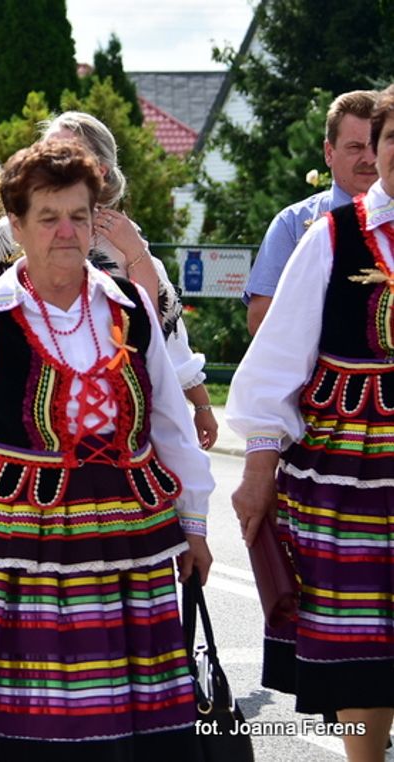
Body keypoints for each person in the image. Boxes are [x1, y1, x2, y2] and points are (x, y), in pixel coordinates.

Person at [0, 141, 213, 759]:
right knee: (33, 723)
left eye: (79, 214)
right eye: (48, 217)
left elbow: (170, 425)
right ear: (16, 228)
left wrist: (195, 524)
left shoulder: (133, 309)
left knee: (129, 722)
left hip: (130, 541)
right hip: (22, 550)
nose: (66, 231)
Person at [228, 83, 394, 762]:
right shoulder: (333, 237)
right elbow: (275, 361)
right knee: (362, 644)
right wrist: (258, 467)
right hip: (349, 474)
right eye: (392, 141)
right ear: (378, 152)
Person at [0, 112, 219, 450]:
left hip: (120, 418)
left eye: (66, 152)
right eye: (46, 150)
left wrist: (202, 405)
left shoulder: (125, 237)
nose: (51, 161)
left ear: (99, 170)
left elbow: (159, 335)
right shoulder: (11, 233)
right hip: (28, 413)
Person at [244, 90, 378, 335]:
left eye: (377, 146)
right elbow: (260, 322)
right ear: (329, 152)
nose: (369, 159)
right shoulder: (293, 225)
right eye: (355, 147)